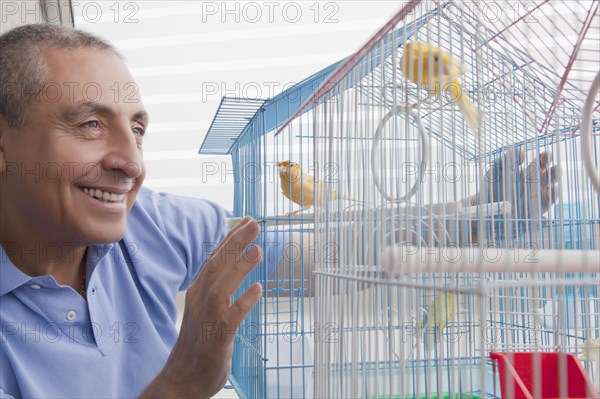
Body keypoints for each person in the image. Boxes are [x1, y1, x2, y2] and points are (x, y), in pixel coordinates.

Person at [0, 24, 560, 398]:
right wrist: (179, 385)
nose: (131, 163)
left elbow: (320, 254)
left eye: (138, 129)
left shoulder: (154, 223)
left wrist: (474, 220)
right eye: (91, 124)